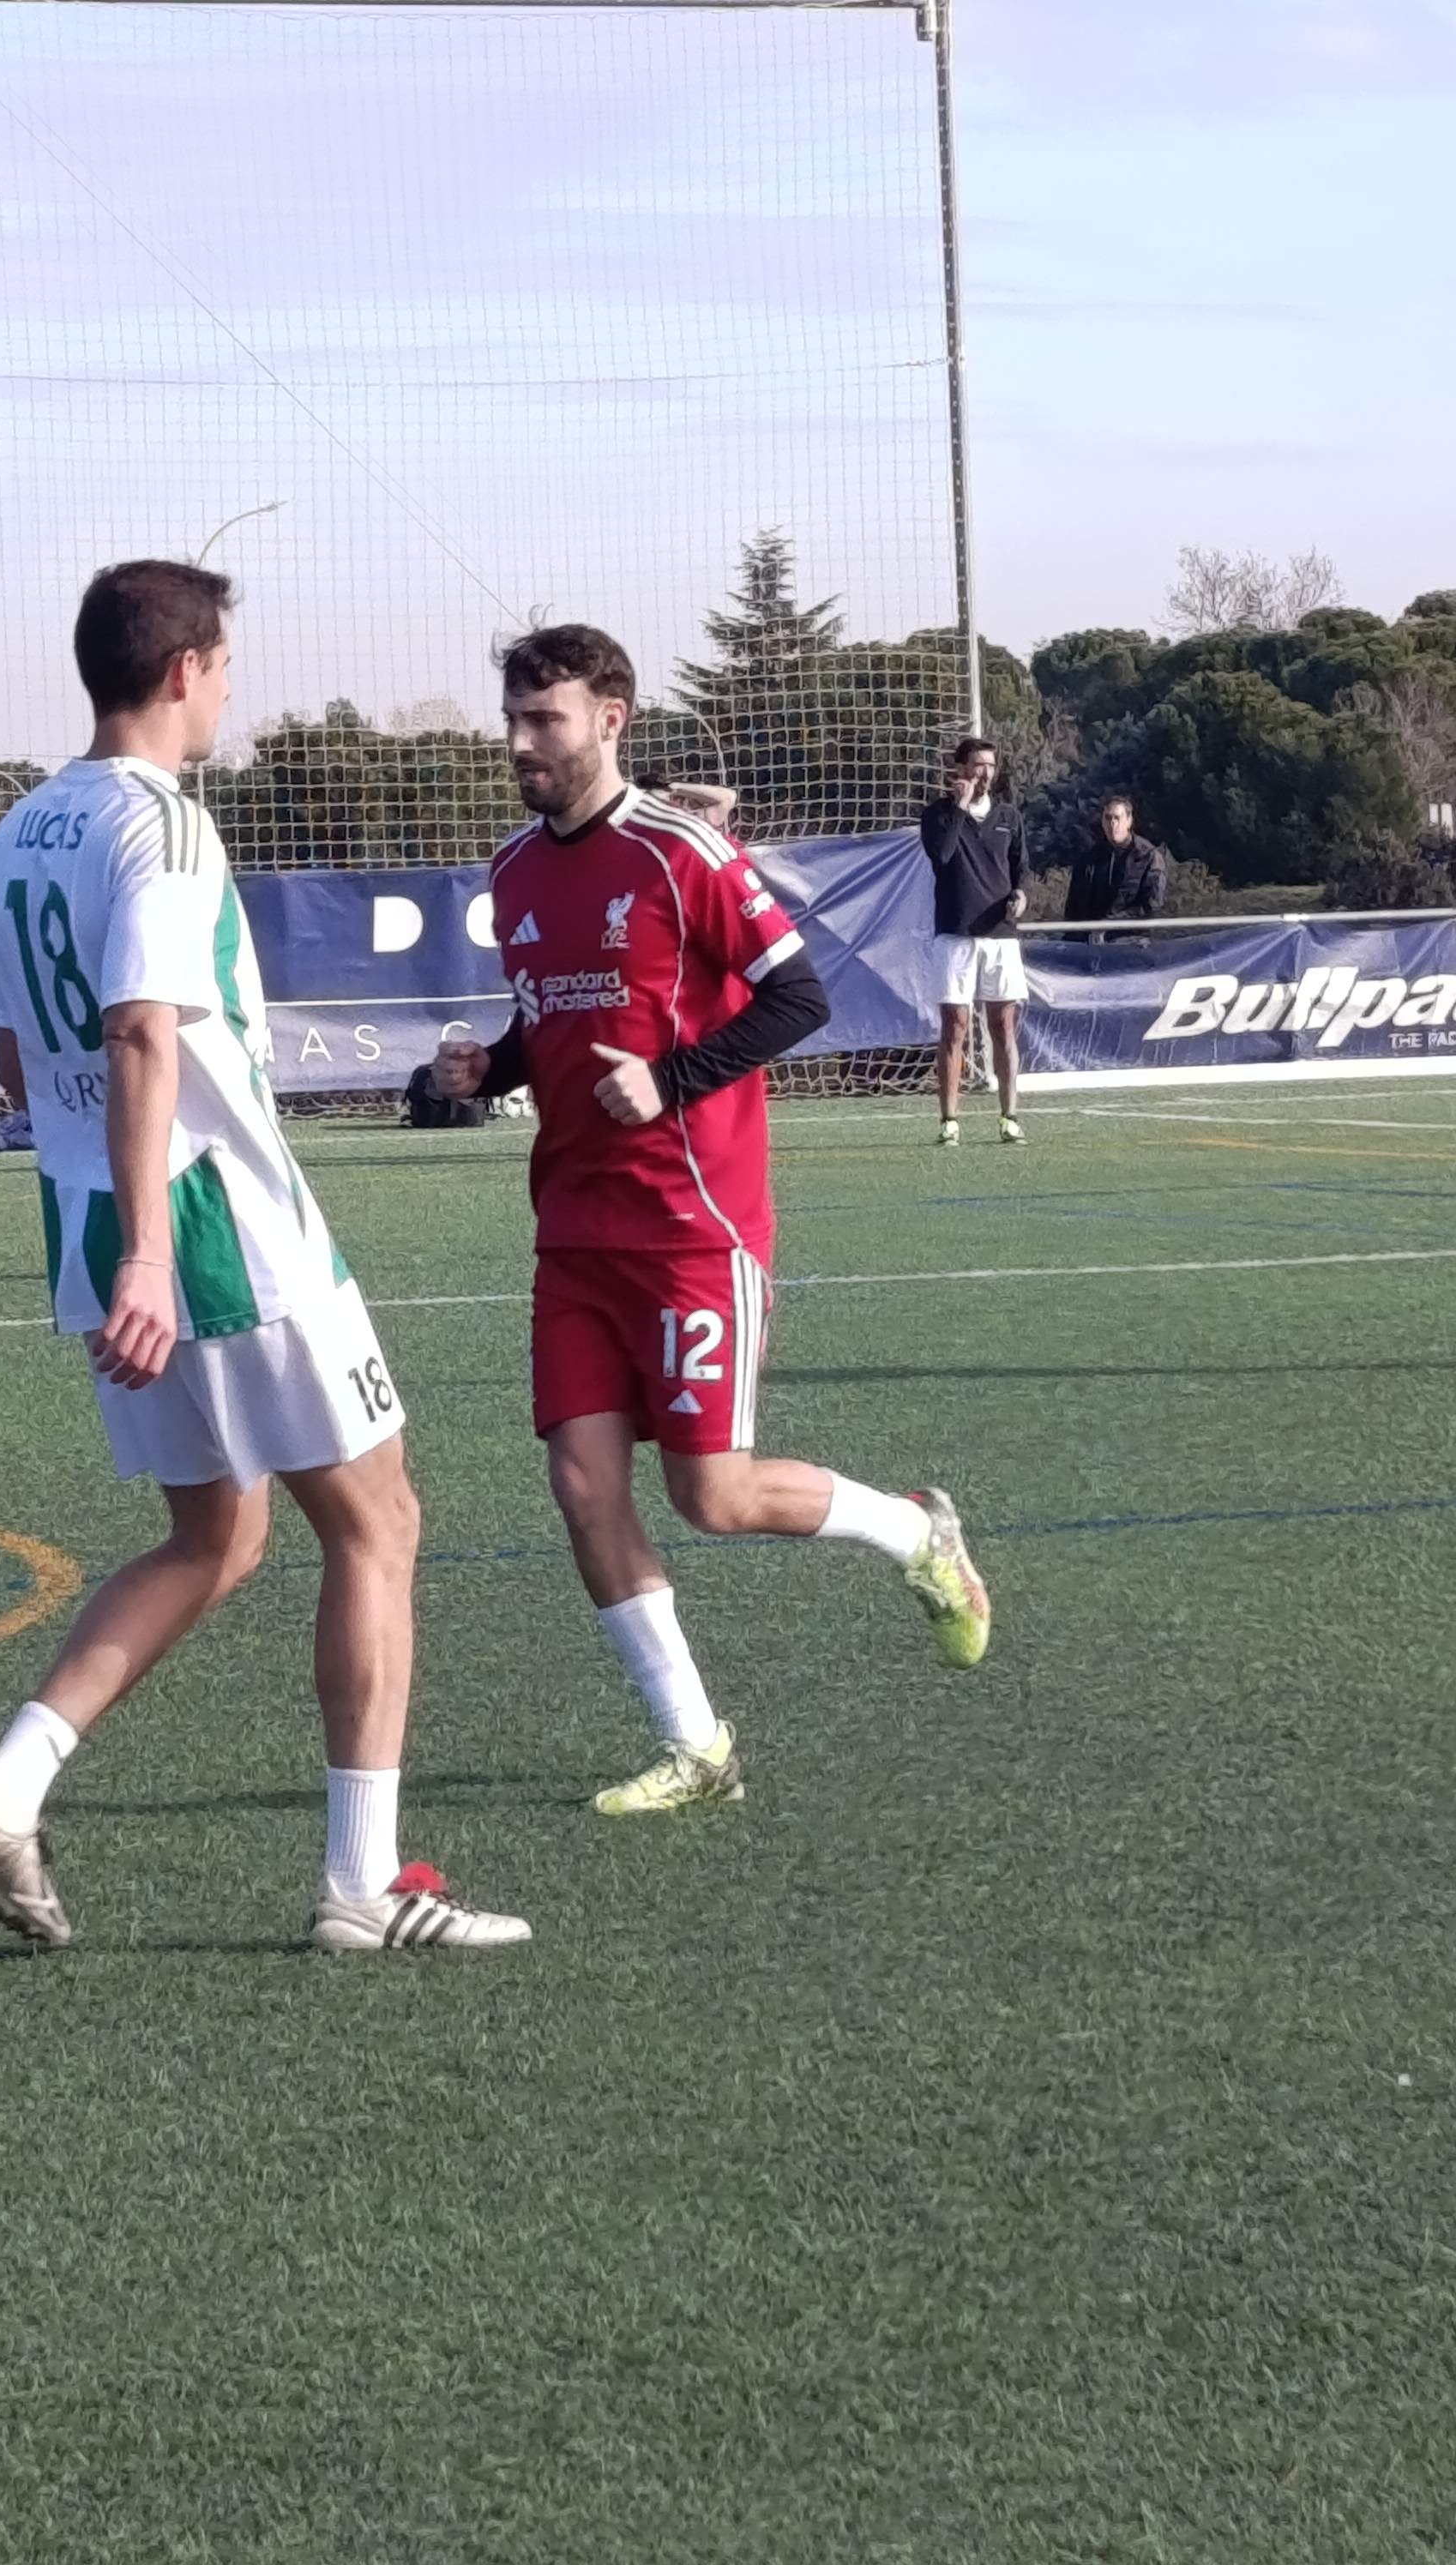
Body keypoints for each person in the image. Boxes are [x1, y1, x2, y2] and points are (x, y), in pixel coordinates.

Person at [0, 557, 526, 1954]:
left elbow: (14, 1060)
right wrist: (154, 1253)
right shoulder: (166, 827)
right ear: (186, 668)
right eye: (227, 667)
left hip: (91, 1218)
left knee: (217, 1535)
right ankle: (361, 1887)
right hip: (212, 1225)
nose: (230, 692)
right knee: (379, 1523)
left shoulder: (18, 831)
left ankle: (5, 1792)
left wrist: (116, 1233)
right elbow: (143, 1027)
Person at [431, 623, 993, 1817]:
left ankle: (914, 1534)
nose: (522, 742)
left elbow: (801, 996)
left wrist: (674, 1081)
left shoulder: (682, 851)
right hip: (572, 1230)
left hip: (694, 1226)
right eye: (514, 719)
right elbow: (560, 1019)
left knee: (714, 1497)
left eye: (545, 719)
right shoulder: (515, 866)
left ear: (611, 720)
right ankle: (697, 1747)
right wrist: (496, 1064)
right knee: (583, 1485)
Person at [919, 735, 1029, 1146]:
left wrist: (1021, 895)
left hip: (1000, 936)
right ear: (961, 769)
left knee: (1004, 1025)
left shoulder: (1008, 817)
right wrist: (960, 807)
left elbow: (1020, 868)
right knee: (956, 1026)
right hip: (955, 935)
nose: (985, 773)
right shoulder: (938, 815)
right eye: (978, 764)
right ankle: (949, 1120)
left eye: (990, 765)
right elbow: (942, 856)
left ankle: (1009, 1116)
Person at [1063, 794, 1169, 935]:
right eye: (1108, 818)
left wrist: (1110, 924)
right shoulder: (1089, 859)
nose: (1112, 824)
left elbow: (1151, 907)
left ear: (1129, 821)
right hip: (1090, 938)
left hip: (1132, 937)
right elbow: (1073, 909)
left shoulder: (1148, 857)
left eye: (1117, 818)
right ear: (1102, 821)